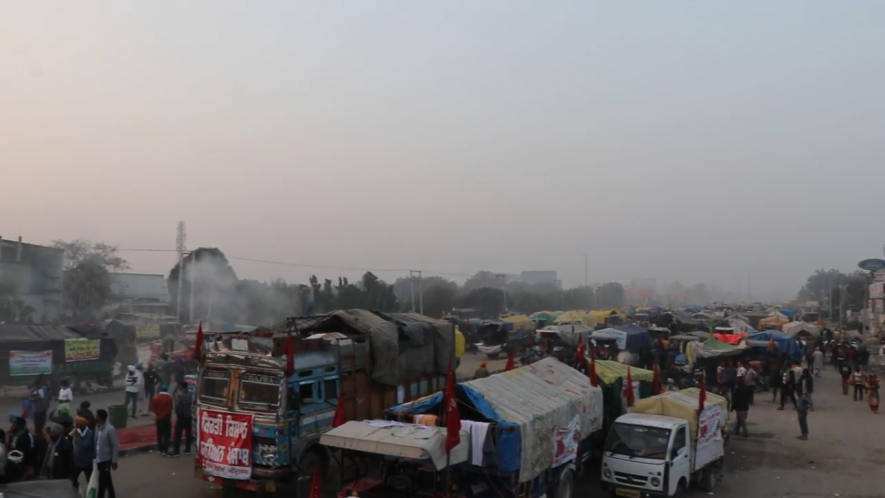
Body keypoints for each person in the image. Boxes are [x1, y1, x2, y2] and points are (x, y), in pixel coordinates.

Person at [94, 408, 119, 498]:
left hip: (106, 460)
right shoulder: (98, 428)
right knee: (107, 480)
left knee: (102, 481)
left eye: (96, 415)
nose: (95, 417)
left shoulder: (110, 429)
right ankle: (112, 495)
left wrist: (114, 461)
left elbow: (115, 446)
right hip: (99, 459)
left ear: (100, 417)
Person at [71, 416, 95, 489]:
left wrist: (78, 438)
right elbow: (69, 436)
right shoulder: (77, 431)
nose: (76, 425)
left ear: (82, 425)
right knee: (73, 479)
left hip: (86, 462)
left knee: (90, 480)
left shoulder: (89, 433)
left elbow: (86, 445)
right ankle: (76, 489)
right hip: (77, 461)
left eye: (77, 424)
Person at [171, 383, 194, 456]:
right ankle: (187, 449)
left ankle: (176, 451)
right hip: (189, 415)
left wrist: (177, 413)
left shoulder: (179, 395)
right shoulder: (191, 394)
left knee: (178, 434)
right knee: (188, 433)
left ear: (181, 387)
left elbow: (177, 406)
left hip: (181, 416)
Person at [151, 384, 174, 456]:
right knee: (167, 434)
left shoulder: (155, 398)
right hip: (166, 418)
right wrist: (163, 414)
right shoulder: (169, 398)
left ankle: (160, 449)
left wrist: (159, 414)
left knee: (159, 434)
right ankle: (165, 449)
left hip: (158, 418)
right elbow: (170, 408)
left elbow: (153, 408)